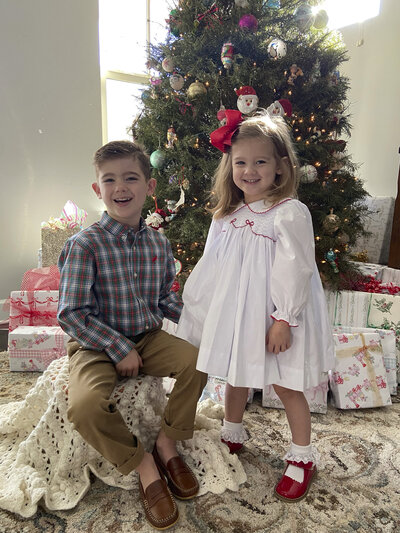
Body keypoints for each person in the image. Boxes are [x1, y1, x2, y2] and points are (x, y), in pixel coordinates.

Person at [176, 109, 335, 502]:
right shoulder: (226, 215)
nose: (249, 171)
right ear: (230, 166)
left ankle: (302, 456)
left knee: (285, 383)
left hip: (275, 316)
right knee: (237, 374)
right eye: (241, 162)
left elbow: (296, 269)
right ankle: (232, 430)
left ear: (280, 166)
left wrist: (284, 319)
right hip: (238, 312)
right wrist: (203, 308)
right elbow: (213, 264)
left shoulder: (289, 212)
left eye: (260, 162)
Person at [57, 140, 208, 530]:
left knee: (197, 361)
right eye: (110, 180)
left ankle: (167, 443)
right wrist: (118, 347)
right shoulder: (84, 245)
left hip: (148, 337)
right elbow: (71, 313)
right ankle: (142, 464)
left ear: (149, 186)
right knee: (85, 406)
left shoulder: (158, 243)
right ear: (98, 189)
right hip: (95, 343)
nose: (120, 187)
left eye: (130, 178)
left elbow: (164, 299)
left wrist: (203, 322)